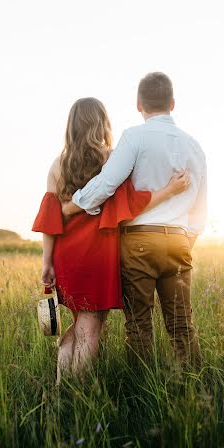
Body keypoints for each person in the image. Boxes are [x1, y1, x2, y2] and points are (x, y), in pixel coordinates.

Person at [32, 97, 190, 380]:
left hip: (66, 256)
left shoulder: (58, 165)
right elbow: (132, 202)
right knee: (91, 327)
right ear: (102, 123)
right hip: (97, 255)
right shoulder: (110, 158)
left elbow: (50, 218)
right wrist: (169, 190)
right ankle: (76, 395)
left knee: (80, 322)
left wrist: (47, 261)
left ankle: (61, 388)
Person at [62, 73, 207, 371]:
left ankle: (141, 393)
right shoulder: (194, 146)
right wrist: (186, 240)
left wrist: (74, 204)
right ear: (173, 103)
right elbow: (200, 208)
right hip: (178, 240)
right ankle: (194, 388)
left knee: (139, 324)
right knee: (182, 324)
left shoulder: (134, 138)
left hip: (139, 241)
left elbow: (106, 185)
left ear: (139, 104)